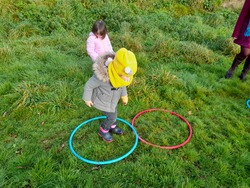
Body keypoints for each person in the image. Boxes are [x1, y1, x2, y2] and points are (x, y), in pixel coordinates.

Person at [82, 48, 137, 142]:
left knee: (113, 114)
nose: (127, 79)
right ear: (117, 71)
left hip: (112, 101)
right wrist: (87, 99)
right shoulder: (101, 77)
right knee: (111, 117)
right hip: (102, 101)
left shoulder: (121, 75)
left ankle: (112, 127)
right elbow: (89, 85)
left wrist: (124, 96)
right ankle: (103, 131)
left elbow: (122, 85)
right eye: (125, 76)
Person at [225, 0, 250, 81]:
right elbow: (243, 14)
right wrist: (236, 32)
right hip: (248, 30)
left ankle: (244, 73)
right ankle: (232, 68)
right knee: (245, 52)